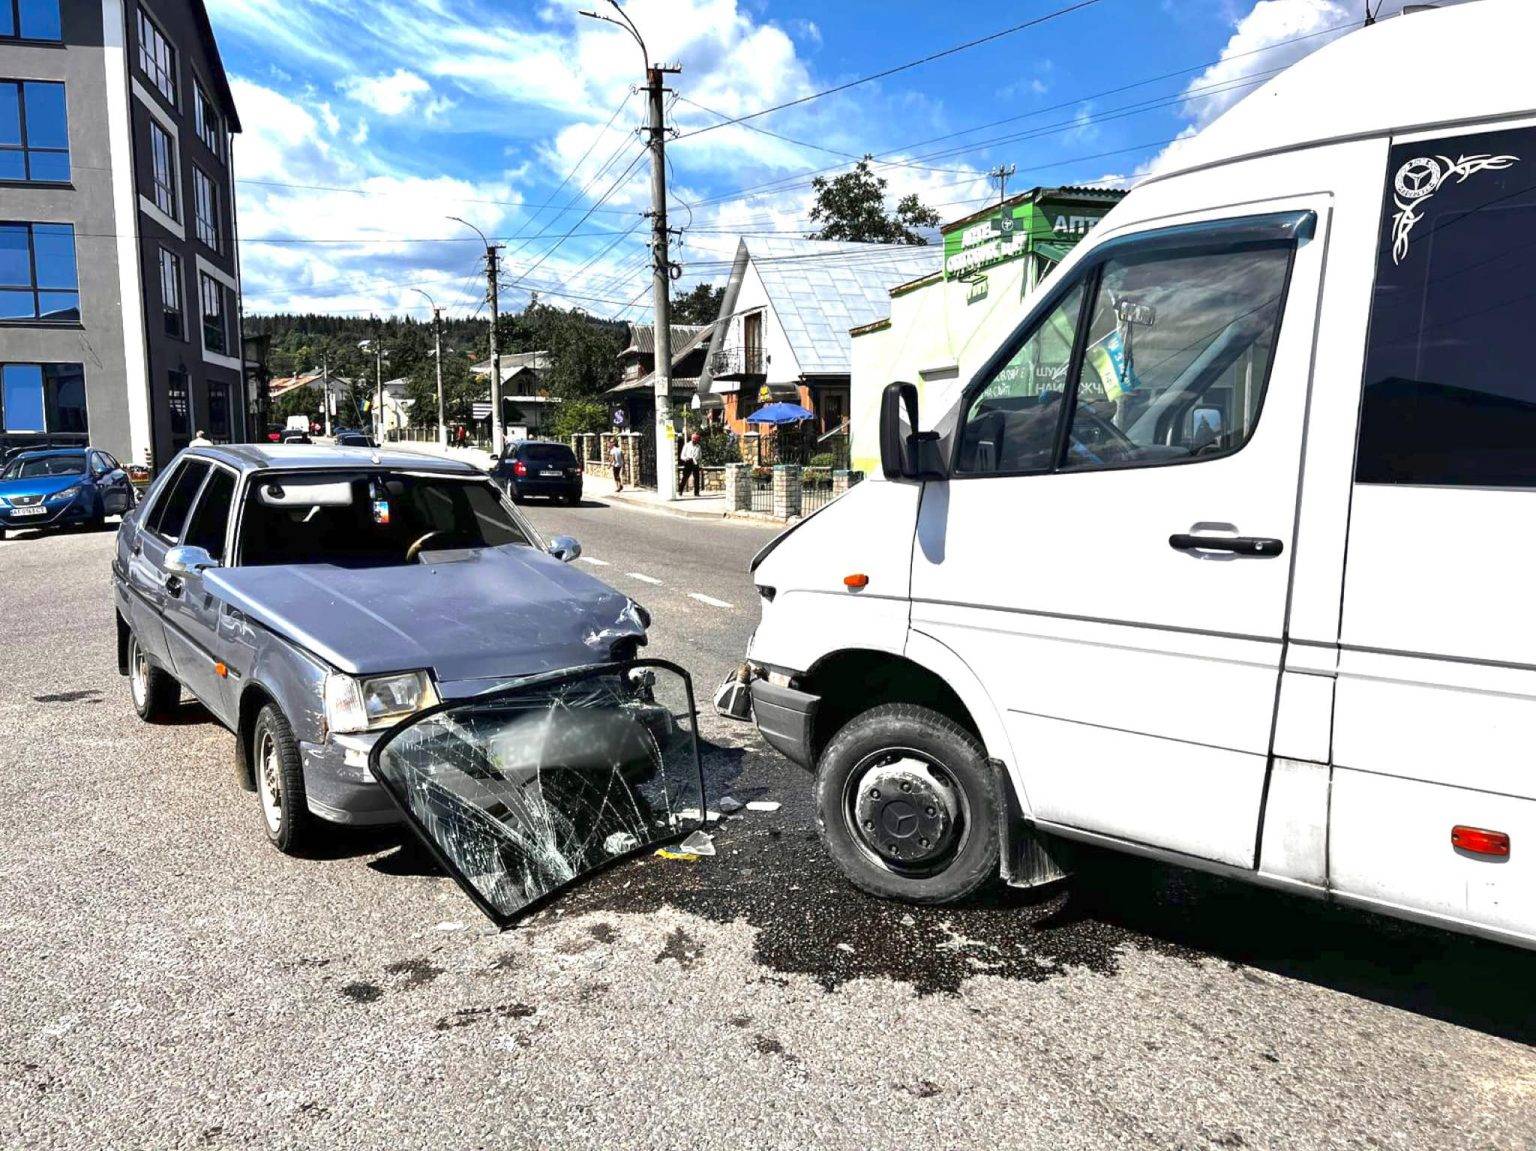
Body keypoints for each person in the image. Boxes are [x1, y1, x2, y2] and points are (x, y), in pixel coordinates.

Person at [679, 432, 702, 497]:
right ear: (692, 439)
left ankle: (696, 493)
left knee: (697, 478)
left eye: (697, 440)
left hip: (695, 462)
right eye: (694, 439)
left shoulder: (698, 446)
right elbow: (682, 456)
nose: (695, 441)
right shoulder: (687, 445)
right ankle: (680, 491)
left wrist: (700, 464)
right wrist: (686, 458)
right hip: (688, 462)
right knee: (685, 477)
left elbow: (700, 456)